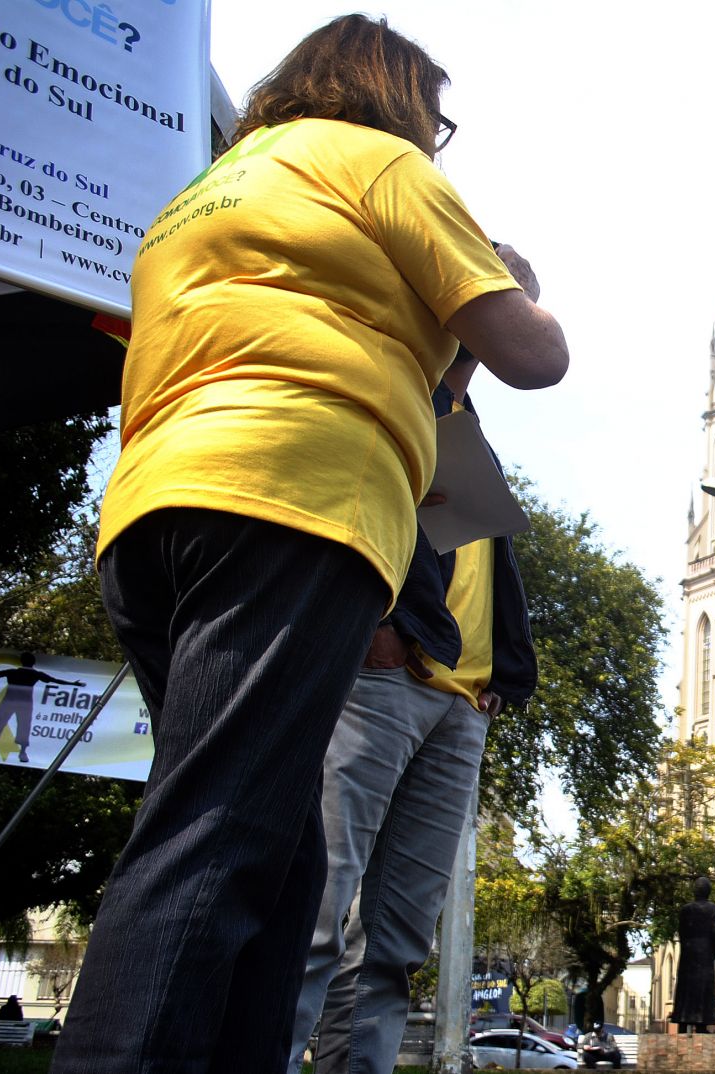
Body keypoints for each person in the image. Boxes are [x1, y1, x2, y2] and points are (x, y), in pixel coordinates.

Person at [52, 16, 568, 1074]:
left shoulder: (205, 191)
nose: (435, 137)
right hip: (291, 502)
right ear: (398, 97)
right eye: (436, 117)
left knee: (281, 854)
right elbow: (533, 356)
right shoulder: (381, 164)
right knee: (215, 829)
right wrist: (509, 285)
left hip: (151, 516)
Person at [289, 342, 550, 1074]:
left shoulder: (468, 420)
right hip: (386, 682)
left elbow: (477, 563)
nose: (511, 310)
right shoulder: (394, 384)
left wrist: (499, 674)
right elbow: (343, 502)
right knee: (315, 914)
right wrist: (380, 624)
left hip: (463, 707)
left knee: (394, 944)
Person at [0, 653, 85, 763]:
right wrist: (73, 684)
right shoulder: (34, 674)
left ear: (21, 661)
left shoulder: (12, 672)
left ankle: (22, 752)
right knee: (23, 725)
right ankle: (22, 751)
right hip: (24, 703)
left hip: (10, 701)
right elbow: (55, 680)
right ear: (33, 663)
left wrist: (73, 684)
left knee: (0, 721)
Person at [670, 876, 715, 1032]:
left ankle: (682, 1022)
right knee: (703, 986)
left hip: (688, 951)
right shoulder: (713, 909)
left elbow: (681, 932)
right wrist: (714, 951)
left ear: (695, 891)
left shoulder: (685, 909)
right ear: (708, 892)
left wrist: (687, 947)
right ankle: (702, 1024)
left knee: (686, 986)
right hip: (705, 951)